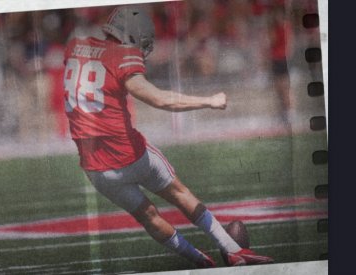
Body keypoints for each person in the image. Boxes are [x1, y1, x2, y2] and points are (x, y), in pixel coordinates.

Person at [63, 6, 274, 268]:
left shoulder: (75, 47)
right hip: (129, 154)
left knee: (148, 216)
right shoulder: (123, 55)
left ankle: (200, 261)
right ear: (132, 37)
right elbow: (158, 98)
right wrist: (209, 101)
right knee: (179, 192)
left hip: (96, 170)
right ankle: (232, 250)